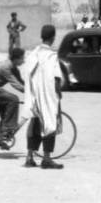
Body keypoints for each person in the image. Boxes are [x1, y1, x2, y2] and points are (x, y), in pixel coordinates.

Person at [22, 25, 64, 169]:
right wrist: (58, 94)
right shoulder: (52, 56)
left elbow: (26, 74)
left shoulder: (32, 54)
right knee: (50, 123)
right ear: (53, 38)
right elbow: (57, 78)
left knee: (34, 123)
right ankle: (46, 159)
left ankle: (29, 157)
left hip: (34, 95)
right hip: (48, 95)